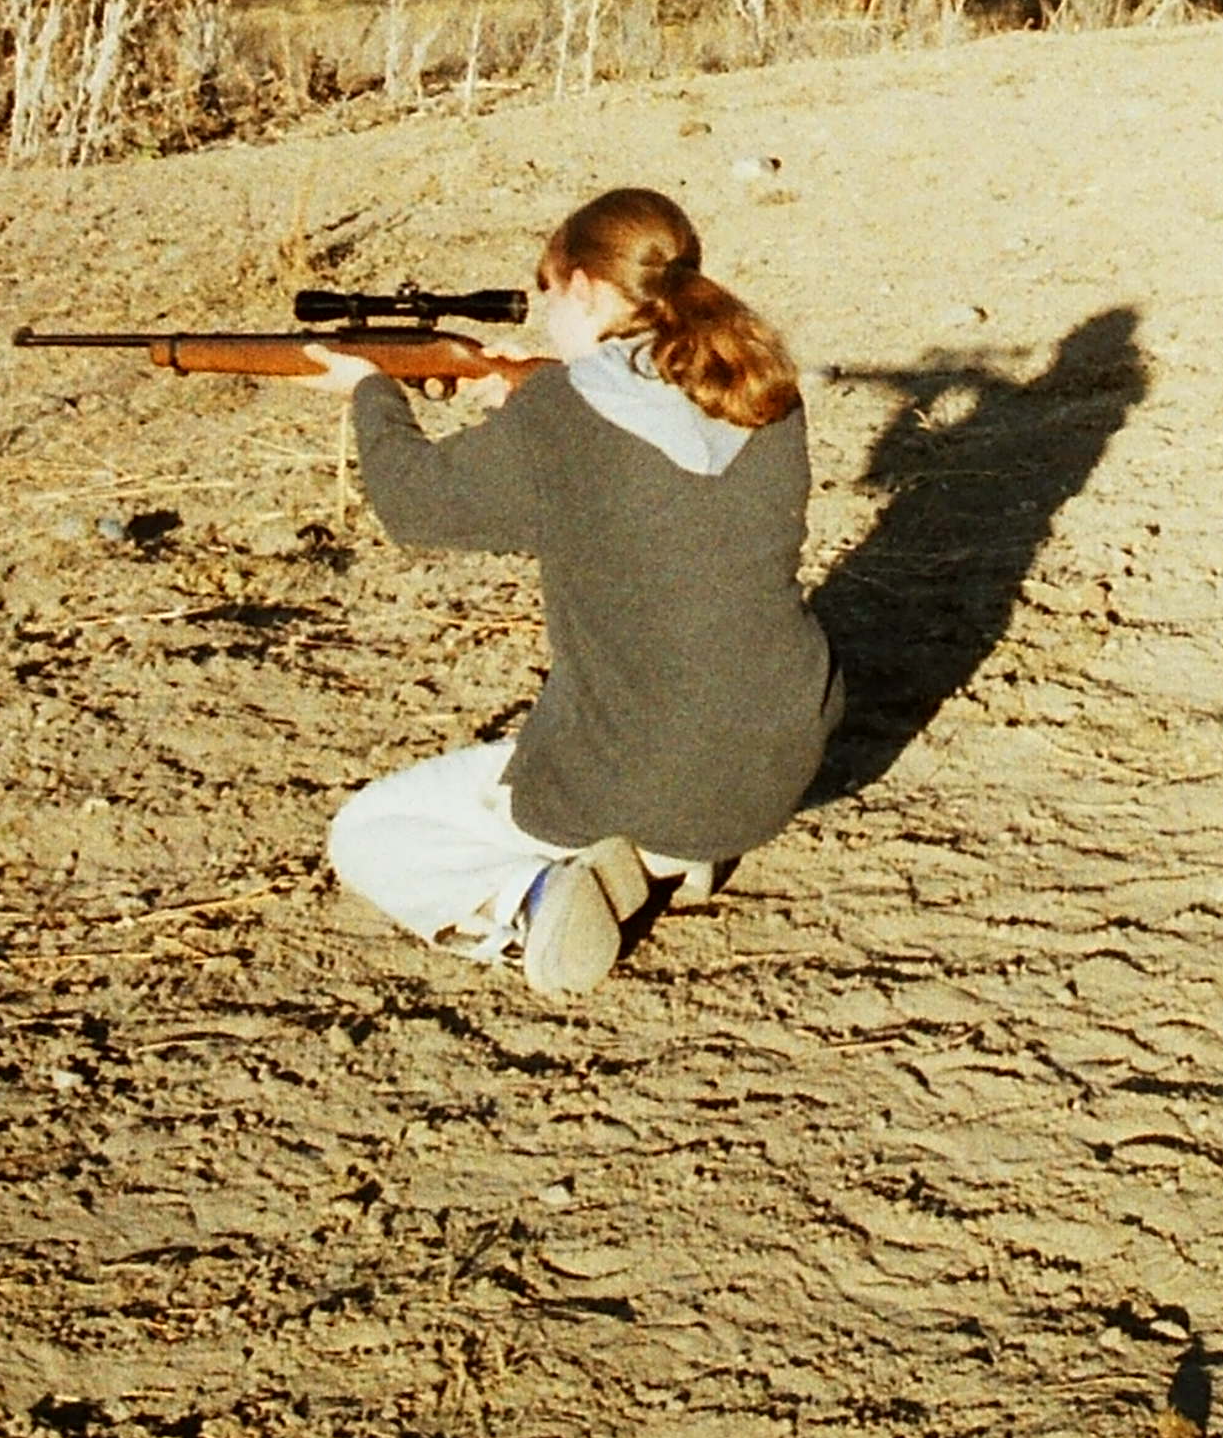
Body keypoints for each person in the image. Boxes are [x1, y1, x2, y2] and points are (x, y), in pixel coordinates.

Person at [308, 188, 842, 998]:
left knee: (368, 832)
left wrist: (371, 391)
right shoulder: (759, 384)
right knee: (677, 724)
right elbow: (636, 442)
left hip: (638, 767)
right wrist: (520, 395)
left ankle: (528, 904)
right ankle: (671, 858)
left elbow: (414, 505)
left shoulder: (563, 411)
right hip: (784, 754)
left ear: (587, 289)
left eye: (548, 293)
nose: (544, 317)